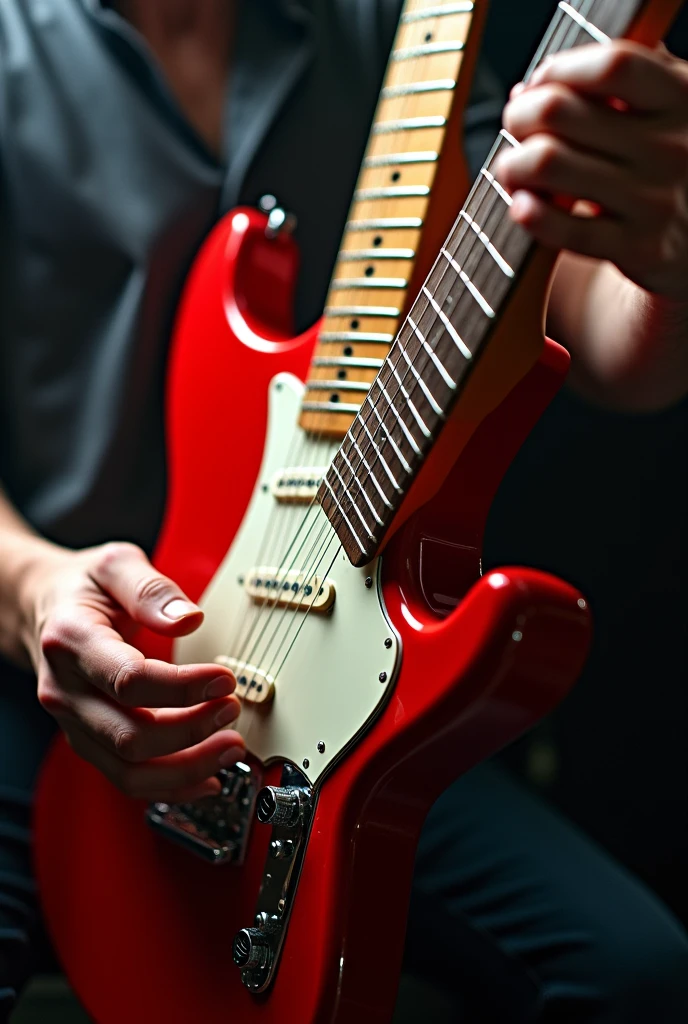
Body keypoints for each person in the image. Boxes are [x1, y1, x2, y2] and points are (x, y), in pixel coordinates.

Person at [0, 1, 687, 1020]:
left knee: (636, 974)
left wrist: (668, 251)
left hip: (338, 674)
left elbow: (593, 320)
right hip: (33, 677)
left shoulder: (399, 20)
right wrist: (31, 586)